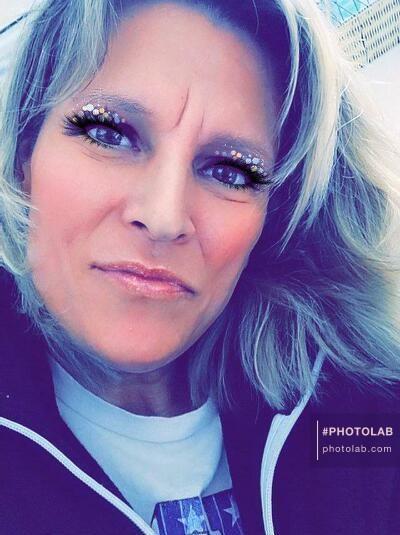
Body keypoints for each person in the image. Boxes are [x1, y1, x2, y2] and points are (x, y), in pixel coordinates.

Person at [0, 0, 399, 533]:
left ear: (273, 217)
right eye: (110, 134)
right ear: (24, 156)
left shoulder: (362, 420)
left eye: (231, 171)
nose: (164, 218)